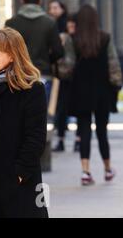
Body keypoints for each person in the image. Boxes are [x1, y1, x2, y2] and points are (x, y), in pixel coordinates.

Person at [0, 28, 48, 218]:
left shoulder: (31, 88)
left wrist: (19, 174)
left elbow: (35, 137)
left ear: (13, 55)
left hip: (14, 177)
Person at [69, 5, 123, 186]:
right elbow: (113, 63)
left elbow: (66, 66)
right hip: (102, 91)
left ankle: (85, 172)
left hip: (80, 91)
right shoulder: (105, 38)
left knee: (83, 130)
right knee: (102, 131)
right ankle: (107, 169)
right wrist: (117, 84)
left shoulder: (73, 40)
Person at [5, 0, 64, 101]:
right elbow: (58, 51)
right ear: (40, 1)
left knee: (19, 115)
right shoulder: (50, 23)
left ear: (22, 1)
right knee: (41, 114)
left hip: (17, 75)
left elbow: (6, 50)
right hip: (43, 74)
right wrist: (47, 59)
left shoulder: (11, 23)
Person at [52, 13, 78, 152]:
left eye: (73, 23)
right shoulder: (64, 38)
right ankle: (61, 139)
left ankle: (78, 140)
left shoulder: (81, 39)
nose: (71, 26)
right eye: (69, 23)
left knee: (79, 110)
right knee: (62, 110)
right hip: (64, 80)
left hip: (78, 80)